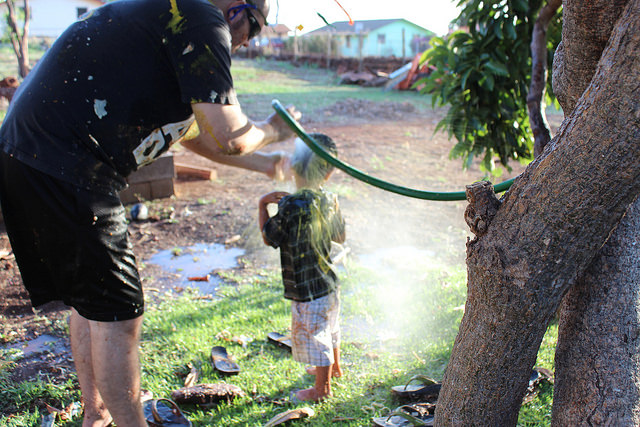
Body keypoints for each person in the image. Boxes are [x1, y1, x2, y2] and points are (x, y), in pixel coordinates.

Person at [0, 0, 300, 425]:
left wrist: (268, 164)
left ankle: (96, 415)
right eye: (252, 29)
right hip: (70, 167)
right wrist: (275, 129)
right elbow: (230, 135)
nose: (247, 42)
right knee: (121, 313)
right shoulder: (201, 17)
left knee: (92, 304)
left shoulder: (170, 16)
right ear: (238, 10)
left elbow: (199, 137)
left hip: (27, 155)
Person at [258, 133, 346, 402]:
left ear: (294, 168)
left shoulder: (289, 205)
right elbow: (339, 237)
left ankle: (322, 390)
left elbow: (268, 236)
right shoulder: (329, 199)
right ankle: (335, 370)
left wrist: (263, 204)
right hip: (329, 283)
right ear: (328, 173)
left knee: (316, 336)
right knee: (331, 328)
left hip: (307, 291)